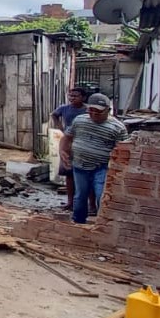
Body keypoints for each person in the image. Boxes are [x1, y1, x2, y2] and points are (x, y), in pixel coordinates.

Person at [61, 93, 129, 224]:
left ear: (108, 111)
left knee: (101, 196)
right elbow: (67, 137)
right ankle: (78, 222)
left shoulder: (117, 127)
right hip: (79, 165)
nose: (93, 114)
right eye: (91, 110)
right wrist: (63, 151)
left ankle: (102, 224)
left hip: (102, 167)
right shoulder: (80, 120)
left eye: (98, 111)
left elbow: (123, 151)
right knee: (80, 196)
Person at [52, 88, 91, 212]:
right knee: (69, 174)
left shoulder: (88, 110)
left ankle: (90, 204)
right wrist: (61, 128)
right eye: (71, 96)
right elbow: (54, 115)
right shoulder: (64, 109)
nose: (72, 98)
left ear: (84, 97)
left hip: (85, 144)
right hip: (68, 144)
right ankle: (70, 203)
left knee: (86, 174)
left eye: (76, 96)